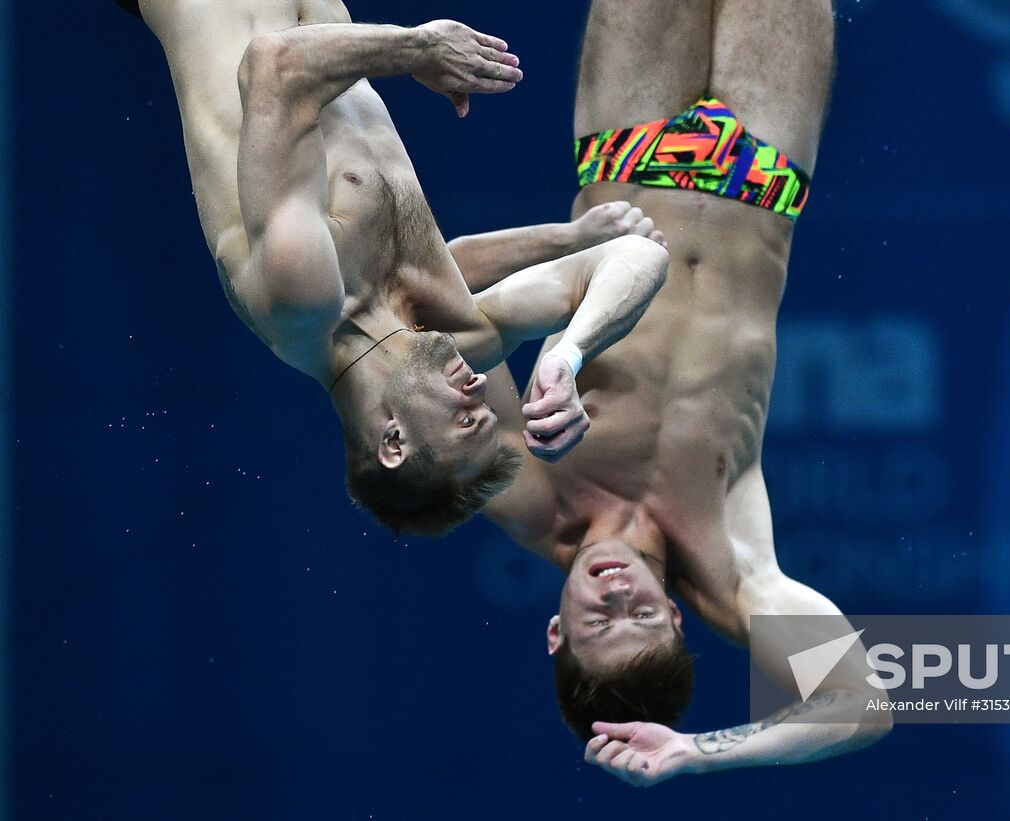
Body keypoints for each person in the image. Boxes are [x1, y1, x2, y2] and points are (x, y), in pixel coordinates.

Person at [474, 0, 892, 785]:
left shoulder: (522, 493)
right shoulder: (731, 568)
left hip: (626, 157)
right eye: (642, 615)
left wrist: (544, 351)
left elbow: (446, 326)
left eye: (599, 619)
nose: (618, 593)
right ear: (675, 617)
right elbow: (862, 703)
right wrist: (700, 751)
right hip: (761, 173)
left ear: (556, 630)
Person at [127, 0, 669, 534]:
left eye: (466, 419)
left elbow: (273, 65)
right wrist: (569, 355)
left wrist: (423, 48)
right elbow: (640, 257)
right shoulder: (450, 334)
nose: (481, 387)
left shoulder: (302, 300)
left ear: (393, 441)